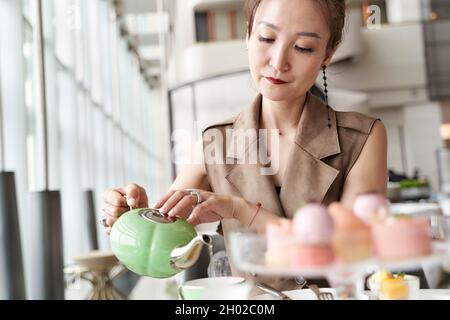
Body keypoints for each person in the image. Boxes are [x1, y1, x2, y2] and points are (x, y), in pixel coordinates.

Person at [101, 0, 387, 291]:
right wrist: (134, 220)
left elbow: (352, 254)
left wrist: (241, 210)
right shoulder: (216, 143)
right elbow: (164, 255)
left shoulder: (362, 137)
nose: (278, 61)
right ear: (248, 34)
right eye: (266, 38)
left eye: (302, 47)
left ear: (328, 53)